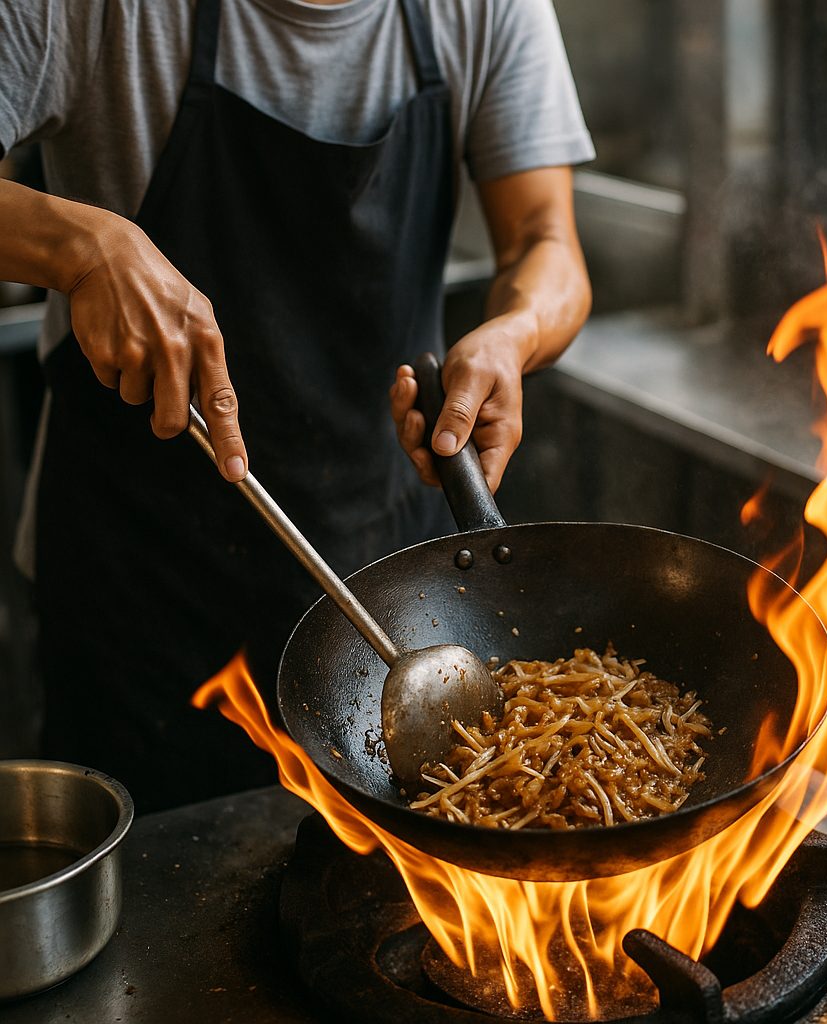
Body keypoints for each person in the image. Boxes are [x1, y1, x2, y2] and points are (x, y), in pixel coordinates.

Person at [0, 0, 593, 812]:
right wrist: (82, 247)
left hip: (388, 597)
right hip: (138, 599)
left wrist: (516, 333)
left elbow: (545, 239)